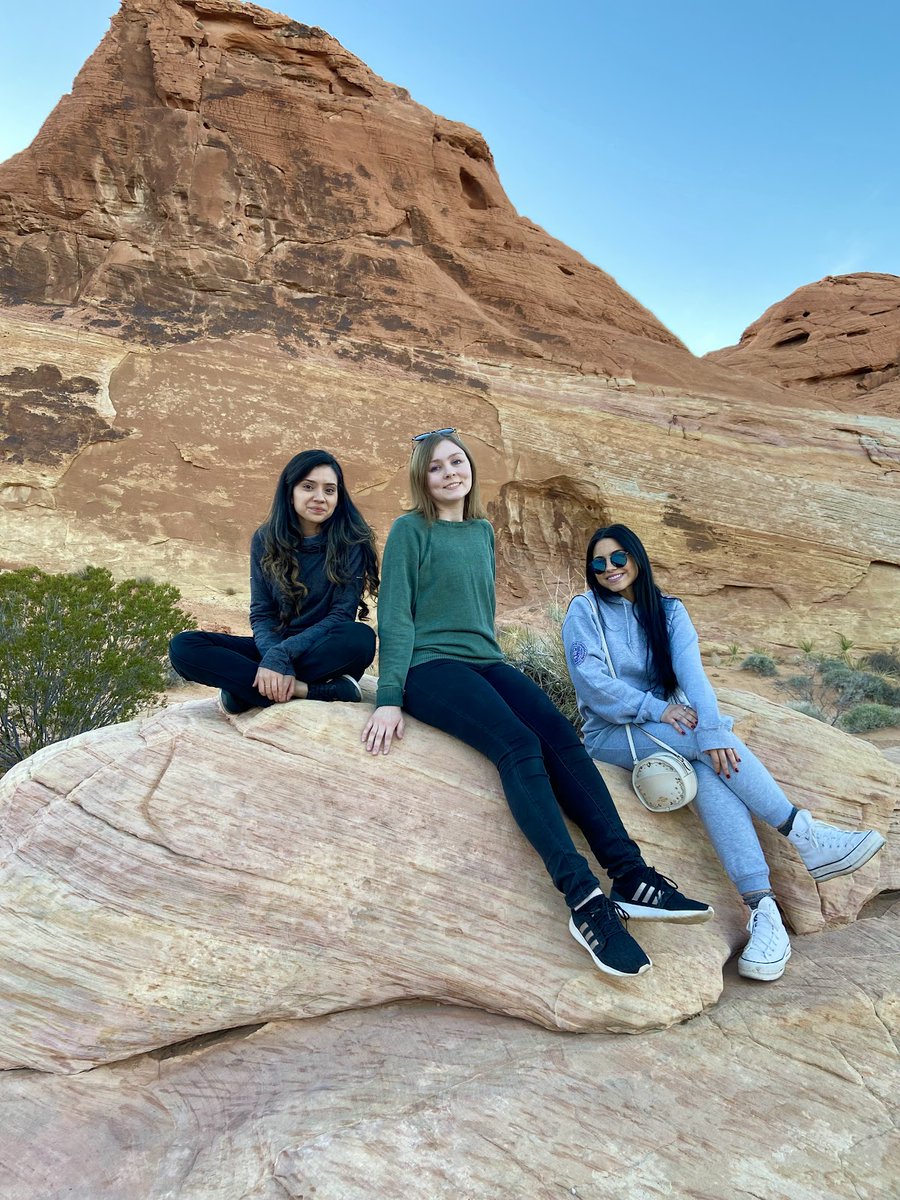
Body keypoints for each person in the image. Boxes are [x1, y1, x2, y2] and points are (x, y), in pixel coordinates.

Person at [362, 429, 714, 979]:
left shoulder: (481, 531)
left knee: (561, 738)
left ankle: (631, 876)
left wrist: (493, 665)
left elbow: (476, 613)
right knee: (518, 745)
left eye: (457, 461)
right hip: (429, 668)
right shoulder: (411, 530)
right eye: (436, 468)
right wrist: (388, 696)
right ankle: (585, 901)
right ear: (421, 479)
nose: (450, 472)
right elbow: (396, 614)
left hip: (486, 660)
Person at [562, 523, 886, 982]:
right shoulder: (585, 610)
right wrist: (659, 709)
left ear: (636, 558)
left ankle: (764, 910)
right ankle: (802, 833)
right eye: (599, 562)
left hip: (669, 727)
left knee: (712, 765)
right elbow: (591, 685)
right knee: (706, 744)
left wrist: (711, 730)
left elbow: (694, 679)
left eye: (618, 558)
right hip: (612, 733)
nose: (610, 569)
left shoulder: (669, 611)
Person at [169, 449, 378, 712]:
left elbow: (340, 615)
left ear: (338, 496)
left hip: (322, 646)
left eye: (329, 490)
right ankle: (318, 690)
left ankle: (248, 691)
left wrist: (282, 657)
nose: (319, 498)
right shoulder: (265, 540)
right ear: (290, 492)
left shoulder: (351, 542)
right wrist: (275, 655)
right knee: (183, 647)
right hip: (272, 645)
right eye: (308, 487)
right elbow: (262, 613)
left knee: (359, 638)